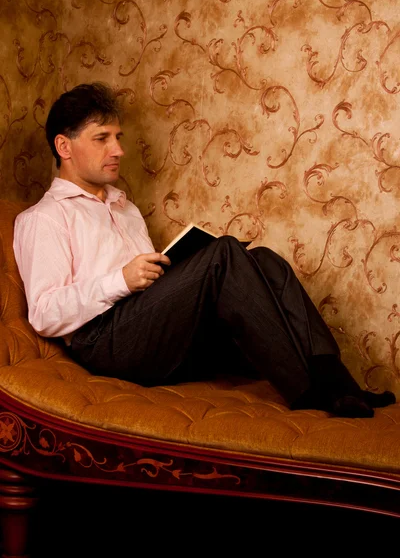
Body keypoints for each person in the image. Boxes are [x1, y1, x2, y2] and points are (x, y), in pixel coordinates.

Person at [13, 82, 396, 419]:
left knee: (263, 259)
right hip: (104, 343)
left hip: (152, 334)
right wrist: (121, 280)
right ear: (64, 146)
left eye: (118, 137)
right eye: (102, 139)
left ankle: (338, 383)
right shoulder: (43, 218)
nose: (118, 150)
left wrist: (163, 271)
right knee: (225, 253)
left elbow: (156, 295)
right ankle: (310, 392)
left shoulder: (123, 208)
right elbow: (45, 314)